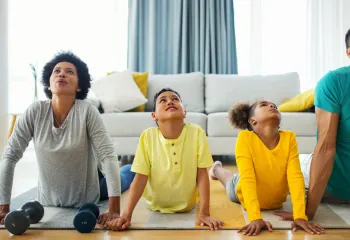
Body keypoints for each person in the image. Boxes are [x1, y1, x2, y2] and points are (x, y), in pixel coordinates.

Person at [0, 51, 135, 226]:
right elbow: (9, 157)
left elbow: (108, 156)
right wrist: (3, 208)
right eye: (56, 71)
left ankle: (132, 168)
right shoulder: (34, 112)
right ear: (48, 84)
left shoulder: (87, 111)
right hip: (48, 200)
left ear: (79, 86)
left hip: (90, 191)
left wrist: (114, 210)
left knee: (127, 174)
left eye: (70, 72)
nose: (61, 74)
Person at [105, 88, 224, 231]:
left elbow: (202, 174)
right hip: (155, 204)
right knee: (132, 171)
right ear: (154, 115)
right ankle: (127, 169)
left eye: (175, 99)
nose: (170, 102)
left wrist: (204, 213)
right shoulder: (147, 136)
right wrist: (126, 215)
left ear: (184, 113)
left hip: (187, 205)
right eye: (163, 100)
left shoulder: (197, 132)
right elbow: (141, 177)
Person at [209, 100, 324, 236]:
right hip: (243, 186)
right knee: (230, 181)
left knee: (235, 177)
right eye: (263, 105)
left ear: (279, 122)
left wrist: (300, 215)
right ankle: (216, 168)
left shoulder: (289, 138)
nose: (272, 106)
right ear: (252, 120)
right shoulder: (245, 138)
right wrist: (255, 217)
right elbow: (247, 179)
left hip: (274, 199)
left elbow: (295, 177)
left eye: (274, 106)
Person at [274, 29, 350, 222]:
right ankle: (219, 171)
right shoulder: (335, 82)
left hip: (337, 186)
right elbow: (325, 149)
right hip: (330, 181)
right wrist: (307, 212)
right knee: (259, 177)